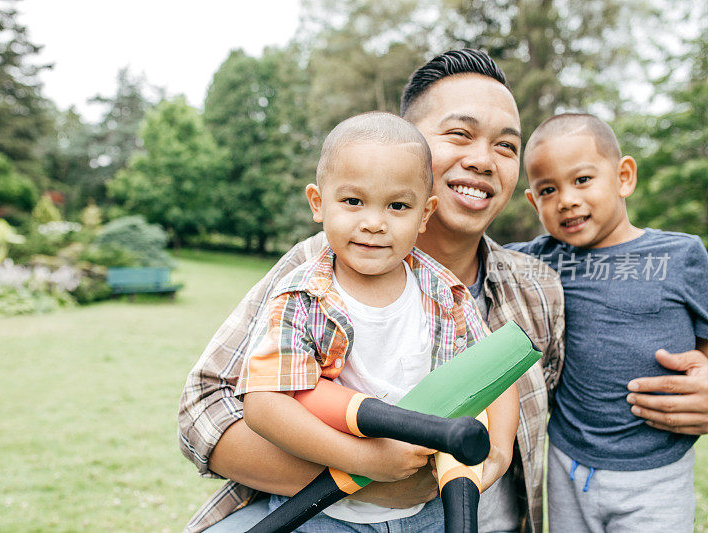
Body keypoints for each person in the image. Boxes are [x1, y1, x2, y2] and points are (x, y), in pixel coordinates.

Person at [178, 49, 708, 533]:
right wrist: (376, 479)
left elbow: (624, 331)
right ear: (403, 142)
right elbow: (203, 414)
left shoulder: (541, 282)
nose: (484, 159)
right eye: (460, 134)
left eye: (506, 145)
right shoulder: (320, 269)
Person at [236, 111, 519, 530]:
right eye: (353, 201)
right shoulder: (304, 296)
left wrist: (498, 451)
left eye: (398, 206)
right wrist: (366, 461)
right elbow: (264, 406)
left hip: (428, 513)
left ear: (425, 214)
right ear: (318, 203)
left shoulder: (442, 289)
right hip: (329, 513)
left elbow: (495, 371)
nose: (373, 222)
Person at [506, 113, 708, 532]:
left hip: (656, 473)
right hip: (567, 465)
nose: (566, 199)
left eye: (582, 180)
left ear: (624, 177)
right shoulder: (540, 259)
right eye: (548, 190)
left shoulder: (681, 255)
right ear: (533, 203)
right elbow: (471, 255)